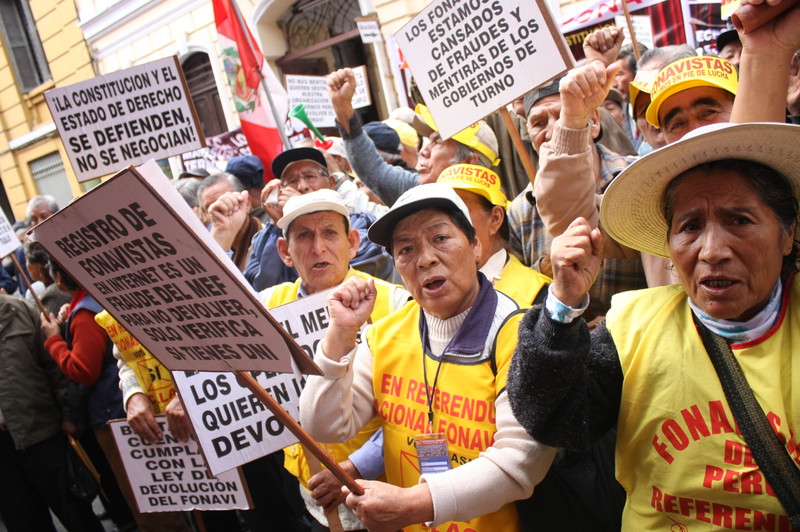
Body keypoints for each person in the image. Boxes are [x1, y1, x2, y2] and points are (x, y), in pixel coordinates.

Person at [508, 122, 800, 530]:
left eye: (740, 220)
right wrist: (562, 305)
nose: (712, 251)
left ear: (787, 236)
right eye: (690, 227)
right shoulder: (633, 327)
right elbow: (553, 418)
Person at [300, 183, 556, 531]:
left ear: (476, 245)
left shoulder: (520, 334)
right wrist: (340, 336)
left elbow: (520, 462)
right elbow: (325, 425)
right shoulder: (384, 335)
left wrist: (412, 504)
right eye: (406, 249)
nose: (425, 258)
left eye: (440, 239)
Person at [262, 189, 409, 531]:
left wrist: (354, 467)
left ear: (353, 242)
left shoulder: (396, 304)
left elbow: (413, 404)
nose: (318, 248)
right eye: (304, 236)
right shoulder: (268, 308)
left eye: (330, 233)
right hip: (312, 498)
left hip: (386, 494)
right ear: (285, 252)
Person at [508, 77, 647, 319]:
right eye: (539, 123)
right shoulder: (520, 210)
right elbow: (516, 295)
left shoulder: (640, 180)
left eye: (563, 116)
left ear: (593, 122)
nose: (553, 130)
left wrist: (619, 326)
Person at [0, 294, 104, 532]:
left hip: (41, 431)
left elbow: (55, 370)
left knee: (75, 513)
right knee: (22, 520)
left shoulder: (21, 312)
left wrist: (68, 415)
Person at [328, 67, 500, 206]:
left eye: (438, 142)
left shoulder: (499, 213)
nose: (424, 151)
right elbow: (374, 171)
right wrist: (342, 107)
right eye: (429, 141)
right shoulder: (417, 190)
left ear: (470, 162)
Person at [242, 147, 394, 291]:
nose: (302, 186)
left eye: (309, 177)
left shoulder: (360, 220)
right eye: (292, 181)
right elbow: (259, 286)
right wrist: (281, 226)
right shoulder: (268, 236)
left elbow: (356, 265)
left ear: (331, 183)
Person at [199, 171, 263, 272]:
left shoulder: (269, 242)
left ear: (247, 204)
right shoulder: (205, 248)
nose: (219, 212)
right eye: (211, 208)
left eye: (227, 202)